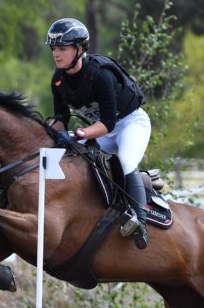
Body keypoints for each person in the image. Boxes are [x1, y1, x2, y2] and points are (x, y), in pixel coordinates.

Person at [45, 17, 150, 249]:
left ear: (79, 49)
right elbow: (61, 119)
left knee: (124, 162)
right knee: (77, 163)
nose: (56, 54)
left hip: (129, 124)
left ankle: (139, 220)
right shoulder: (58, 80)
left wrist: (77, 134)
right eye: (54, 48)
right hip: (99, 129)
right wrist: (46, 135)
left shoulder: (101, 75)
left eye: (62, 48)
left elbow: (109, 123)